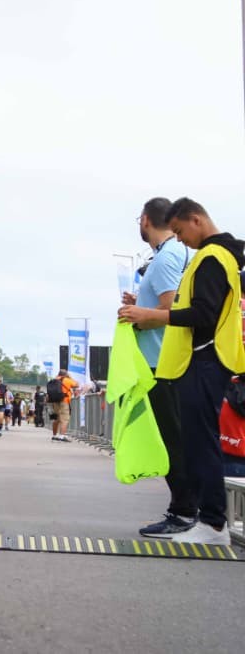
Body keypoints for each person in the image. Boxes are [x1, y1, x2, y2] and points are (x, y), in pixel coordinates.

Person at [119, 197, 245, 545]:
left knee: (200, 442)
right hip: (206, 360)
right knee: (198, 440)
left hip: (204, 360)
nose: (180, 240)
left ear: (196, 220)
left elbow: (203, 314)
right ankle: (208, 520)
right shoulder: (217, 256)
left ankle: (212, 523)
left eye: (180, 231)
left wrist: (151, 315)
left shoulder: (212, 257)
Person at [119, 197, 195, 537]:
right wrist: (142, 304)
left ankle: (183, 512)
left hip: (162, 364)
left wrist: (140, 316)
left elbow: (172, 312)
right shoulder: (173, 254)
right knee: (174, 438)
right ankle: (185, 508)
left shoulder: (164, 258)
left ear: (146, 220)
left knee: (171, 440)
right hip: (167, 361)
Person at [47, 368, 77, 441]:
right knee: (64, 419)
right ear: (65, 374)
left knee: (56, 419)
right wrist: (70, 377)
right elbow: (77, 385)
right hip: (64, 401)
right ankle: (62, 436)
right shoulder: (67, 380)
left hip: (54, 401)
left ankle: (54, 435)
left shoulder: (54, 380)